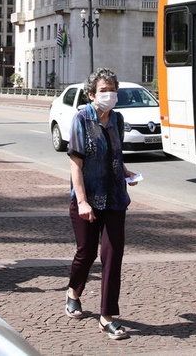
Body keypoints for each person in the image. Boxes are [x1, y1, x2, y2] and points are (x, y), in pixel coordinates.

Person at [64, 68, 138, 341]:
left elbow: (114, 154)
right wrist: (82, 201)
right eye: (104, 90)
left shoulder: (117, 120)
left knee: (112, 256)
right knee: (86, 253)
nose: (110, 95)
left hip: (116, 199)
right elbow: (76, 164)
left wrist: (126, 172)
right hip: (88, 199)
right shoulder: (81, 119)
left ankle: (107, 317)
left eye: (113, 90)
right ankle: (73, 291)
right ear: (92, 94)